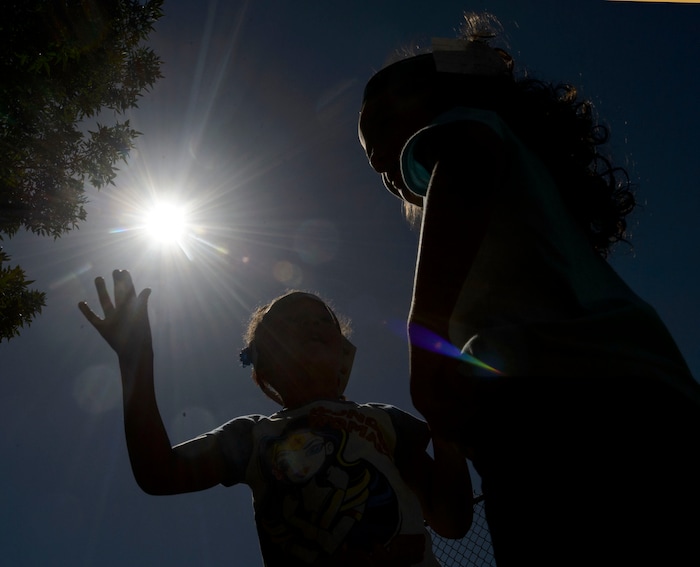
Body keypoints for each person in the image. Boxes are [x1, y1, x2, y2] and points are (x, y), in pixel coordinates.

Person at [357, 10, 700, 566]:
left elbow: (464, 155)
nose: (379, 161)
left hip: (560, 415)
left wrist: (427, 350)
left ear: (437, 99)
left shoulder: (467, 135)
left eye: (380, 130)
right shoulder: (527, 179)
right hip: (651, 398)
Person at [78, 269, 472, 567]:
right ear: (263, 366)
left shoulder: (387, 421)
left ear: (343, 354)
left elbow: (451, 520)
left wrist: (446, 427)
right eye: (291, 322)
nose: (313, 324)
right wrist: (135, 360)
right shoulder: (252, 437)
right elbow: (158, 473)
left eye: (324, 321)